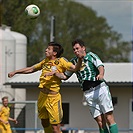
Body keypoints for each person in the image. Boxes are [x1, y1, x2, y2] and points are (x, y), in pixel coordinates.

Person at [8, 42, 83, 133]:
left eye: (48, 49)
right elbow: (31, 69)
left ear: (54, 53)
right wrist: (16, 72)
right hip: (42, 96)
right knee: (44, 122)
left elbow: (75, 68)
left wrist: (80, 59)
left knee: (55, 128)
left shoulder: (61, 61)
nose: (46, 50)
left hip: (53, 98)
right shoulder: (45, 61)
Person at [52, 39, 118, 133]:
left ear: (83, 48)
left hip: (100, 88)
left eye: (77, 48)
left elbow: (100, 66)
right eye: (74, 49)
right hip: (88, 93)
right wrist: (55, 73)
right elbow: (65, 76)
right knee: (100, 122)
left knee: (108, 117)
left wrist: (101, 74)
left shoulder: (91, 56)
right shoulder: (73, 62)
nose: (76, 51)